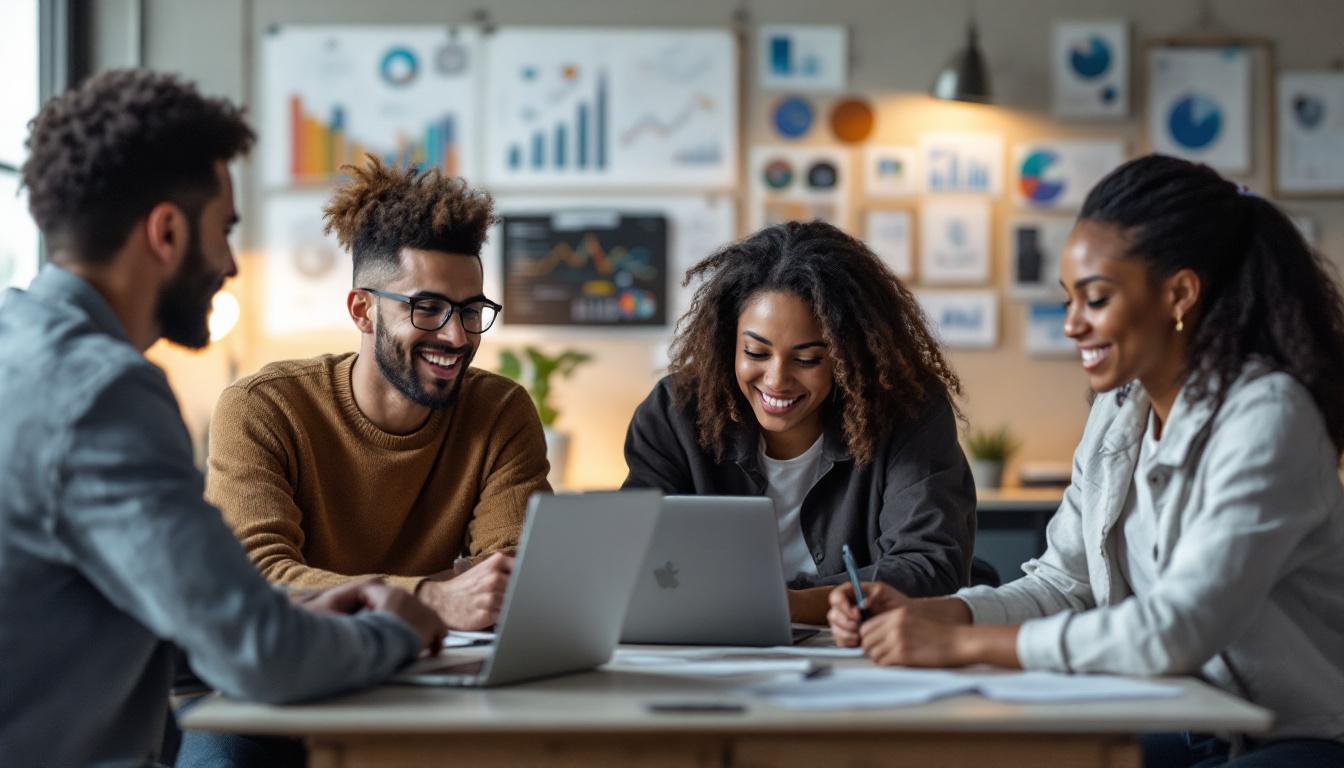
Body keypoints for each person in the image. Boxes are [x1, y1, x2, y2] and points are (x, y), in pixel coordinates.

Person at [829, 155, 1344, 767]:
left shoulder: (1269, 416)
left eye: (1095, 299)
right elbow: (1063, 582)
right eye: (1069, 299)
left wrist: (961, 645)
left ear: (1179, 293)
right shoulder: (1119, 407)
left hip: (1293, 734)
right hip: (1183, 715)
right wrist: (932, 612)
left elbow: (1175, 629)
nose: (1072, 324)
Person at [0, 69, 445, 767]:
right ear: (168, 232)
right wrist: (399, 631)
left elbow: (106, 605)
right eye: (225, 230)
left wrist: (291, 613)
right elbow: (261, 659)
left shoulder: (17, 349)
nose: (231, 263)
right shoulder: (102, 395)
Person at [205, 158, 549, 631]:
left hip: (437, 673)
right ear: (363, 310)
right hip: (306, 675)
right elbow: (258, 577)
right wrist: (432, 597)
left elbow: (511, 578)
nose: (457, 337)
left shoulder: (499, 412)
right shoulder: (265, 408)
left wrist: (449, 597)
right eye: (428, 308)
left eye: (471, 311)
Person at [624, 220, 976, 624]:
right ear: (728, 343)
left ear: (849, 357)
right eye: (755, 353)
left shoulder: (907, 411)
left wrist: (785, 604)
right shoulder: (676, 413)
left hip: (859, 654)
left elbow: (931, 566)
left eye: (808, 359)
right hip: (710, 646)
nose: (776, 380)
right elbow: (632, 557)